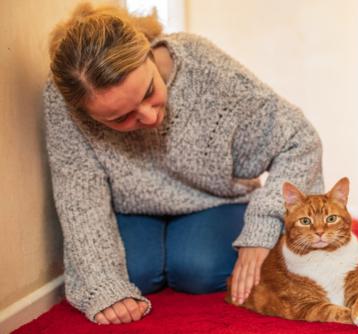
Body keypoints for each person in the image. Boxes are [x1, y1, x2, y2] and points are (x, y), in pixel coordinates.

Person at [45, 2, 324, 325]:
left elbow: (300, 140)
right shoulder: (62, 101)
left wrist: (262, 230)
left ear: (148, 53)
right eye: (121, 117)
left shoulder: (206, 68)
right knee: (132, 273)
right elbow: (78, 195)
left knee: (198, 270)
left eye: (149, 91)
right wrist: (102, 283)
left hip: (213, 201)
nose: (149, 117)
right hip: (130, 207)